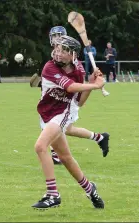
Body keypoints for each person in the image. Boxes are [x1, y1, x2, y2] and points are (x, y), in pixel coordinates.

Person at [32, 35, 105, 209]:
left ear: (73, 55)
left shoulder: (78, 70)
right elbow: (70, 87)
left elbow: (79, 101)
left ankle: (52, 194)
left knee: (40, 146)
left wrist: (91, 83)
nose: (58, 52)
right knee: (65, 157)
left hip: (62, 113)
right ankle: (90, 189)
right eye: (57, 48)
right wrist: (95, 85)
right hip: (46, 114)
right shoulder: (49, 67)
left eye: (63, 50)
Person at [31, 26, 111, 165]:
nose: (56, 41)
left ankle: (57, 154)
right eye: (54, 36)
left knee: (58, 127)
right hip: (57, 98)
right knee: (65, 129)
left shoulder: (77, 67)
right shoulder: (55, 59)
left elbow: (77, 98)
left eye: (59, 37)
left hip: (67, 102)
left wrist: (92, 84)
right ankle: (99, 138)